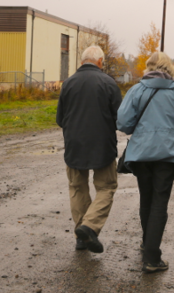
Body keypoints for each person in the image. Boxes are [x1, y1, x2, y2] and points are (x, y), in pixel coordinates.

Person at [117, 52, 174, 274]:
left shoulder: (136, 90)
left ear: (149, 67)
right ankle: (152, 257)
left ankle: (146, 244)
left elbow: (123, 123)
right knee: (160, 202)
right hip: (167, 155)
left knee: (146, 199)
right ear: (169, 68)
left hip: (142, 155)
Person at [56, 45, 122, 254]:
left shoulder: (68, 84)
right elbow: (120, 119)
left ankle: (81, 238)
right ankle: (90, 226)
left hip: (74, 145)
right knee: (106, 187)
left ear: (83, 61)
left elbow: (60, 119)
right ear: (100, 61)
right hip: (102, 146)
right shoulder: (109, 83)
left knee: (77, 187)